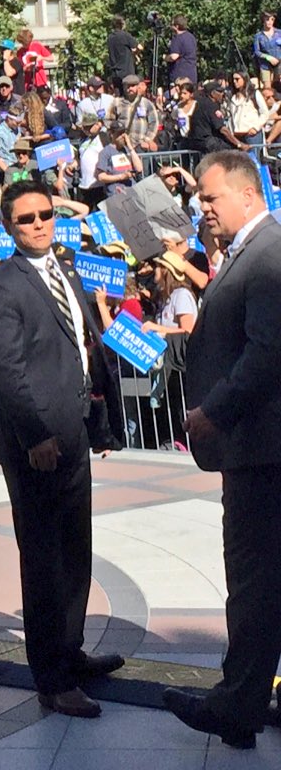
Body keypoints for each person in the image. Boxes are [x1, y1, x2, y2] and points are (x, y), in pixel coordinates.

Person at [0, 180, 124, 718]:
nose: (39, 224)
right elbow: (7, 371)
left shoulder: (67, 269)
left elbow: (85, 349)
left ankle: (71, 650)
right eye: (26, 218)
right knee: (43, 560)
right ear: (8, 226)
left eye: (45, 214)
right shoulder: (2, 285)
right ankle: (52, 679)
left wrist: (99, 423)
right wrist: (35, 434)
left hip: (76, 431)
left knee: (75, 550)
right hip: (36, 443)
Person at [163, 150, 281, 750]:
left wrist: (214, 413)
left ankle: (236, 706)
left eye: (210, 198)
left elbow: (267, 353)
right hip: (258, 449)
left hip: (263, 451)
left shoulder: (268, 255)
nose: (202, 209)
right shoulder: (246, 253)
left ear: (248, 194)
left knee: (255, 581)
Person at [107, 15, 141, 91]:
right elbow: (139, 47)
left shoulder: (110, 38)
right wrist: (135, 54)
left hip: (115, 73)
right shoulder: (125, 35)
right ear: (122, 24)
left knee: (118, 95)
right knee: (129, 93)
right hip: (127, 72)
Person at [252, 10, 281, 90]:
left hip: (279, 64)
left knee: (278, 87)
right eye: (267, 19)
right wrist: (268, 57)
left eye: (272, 19)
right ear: (263, 20)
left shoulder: (279, 33)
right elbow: (257, 52)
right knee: (267, 89)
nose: (270, 22)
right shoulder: (258, 36)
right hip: (265, 65)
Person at [166, 15, 198, 85]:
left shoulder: (177, 39)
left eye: (172, 25)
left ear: (177, 26)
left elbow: (174, 57)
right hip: (192, 75)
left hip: (179, 77)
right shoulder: (191, 37)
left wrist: (166, 58)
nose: (171, 27)